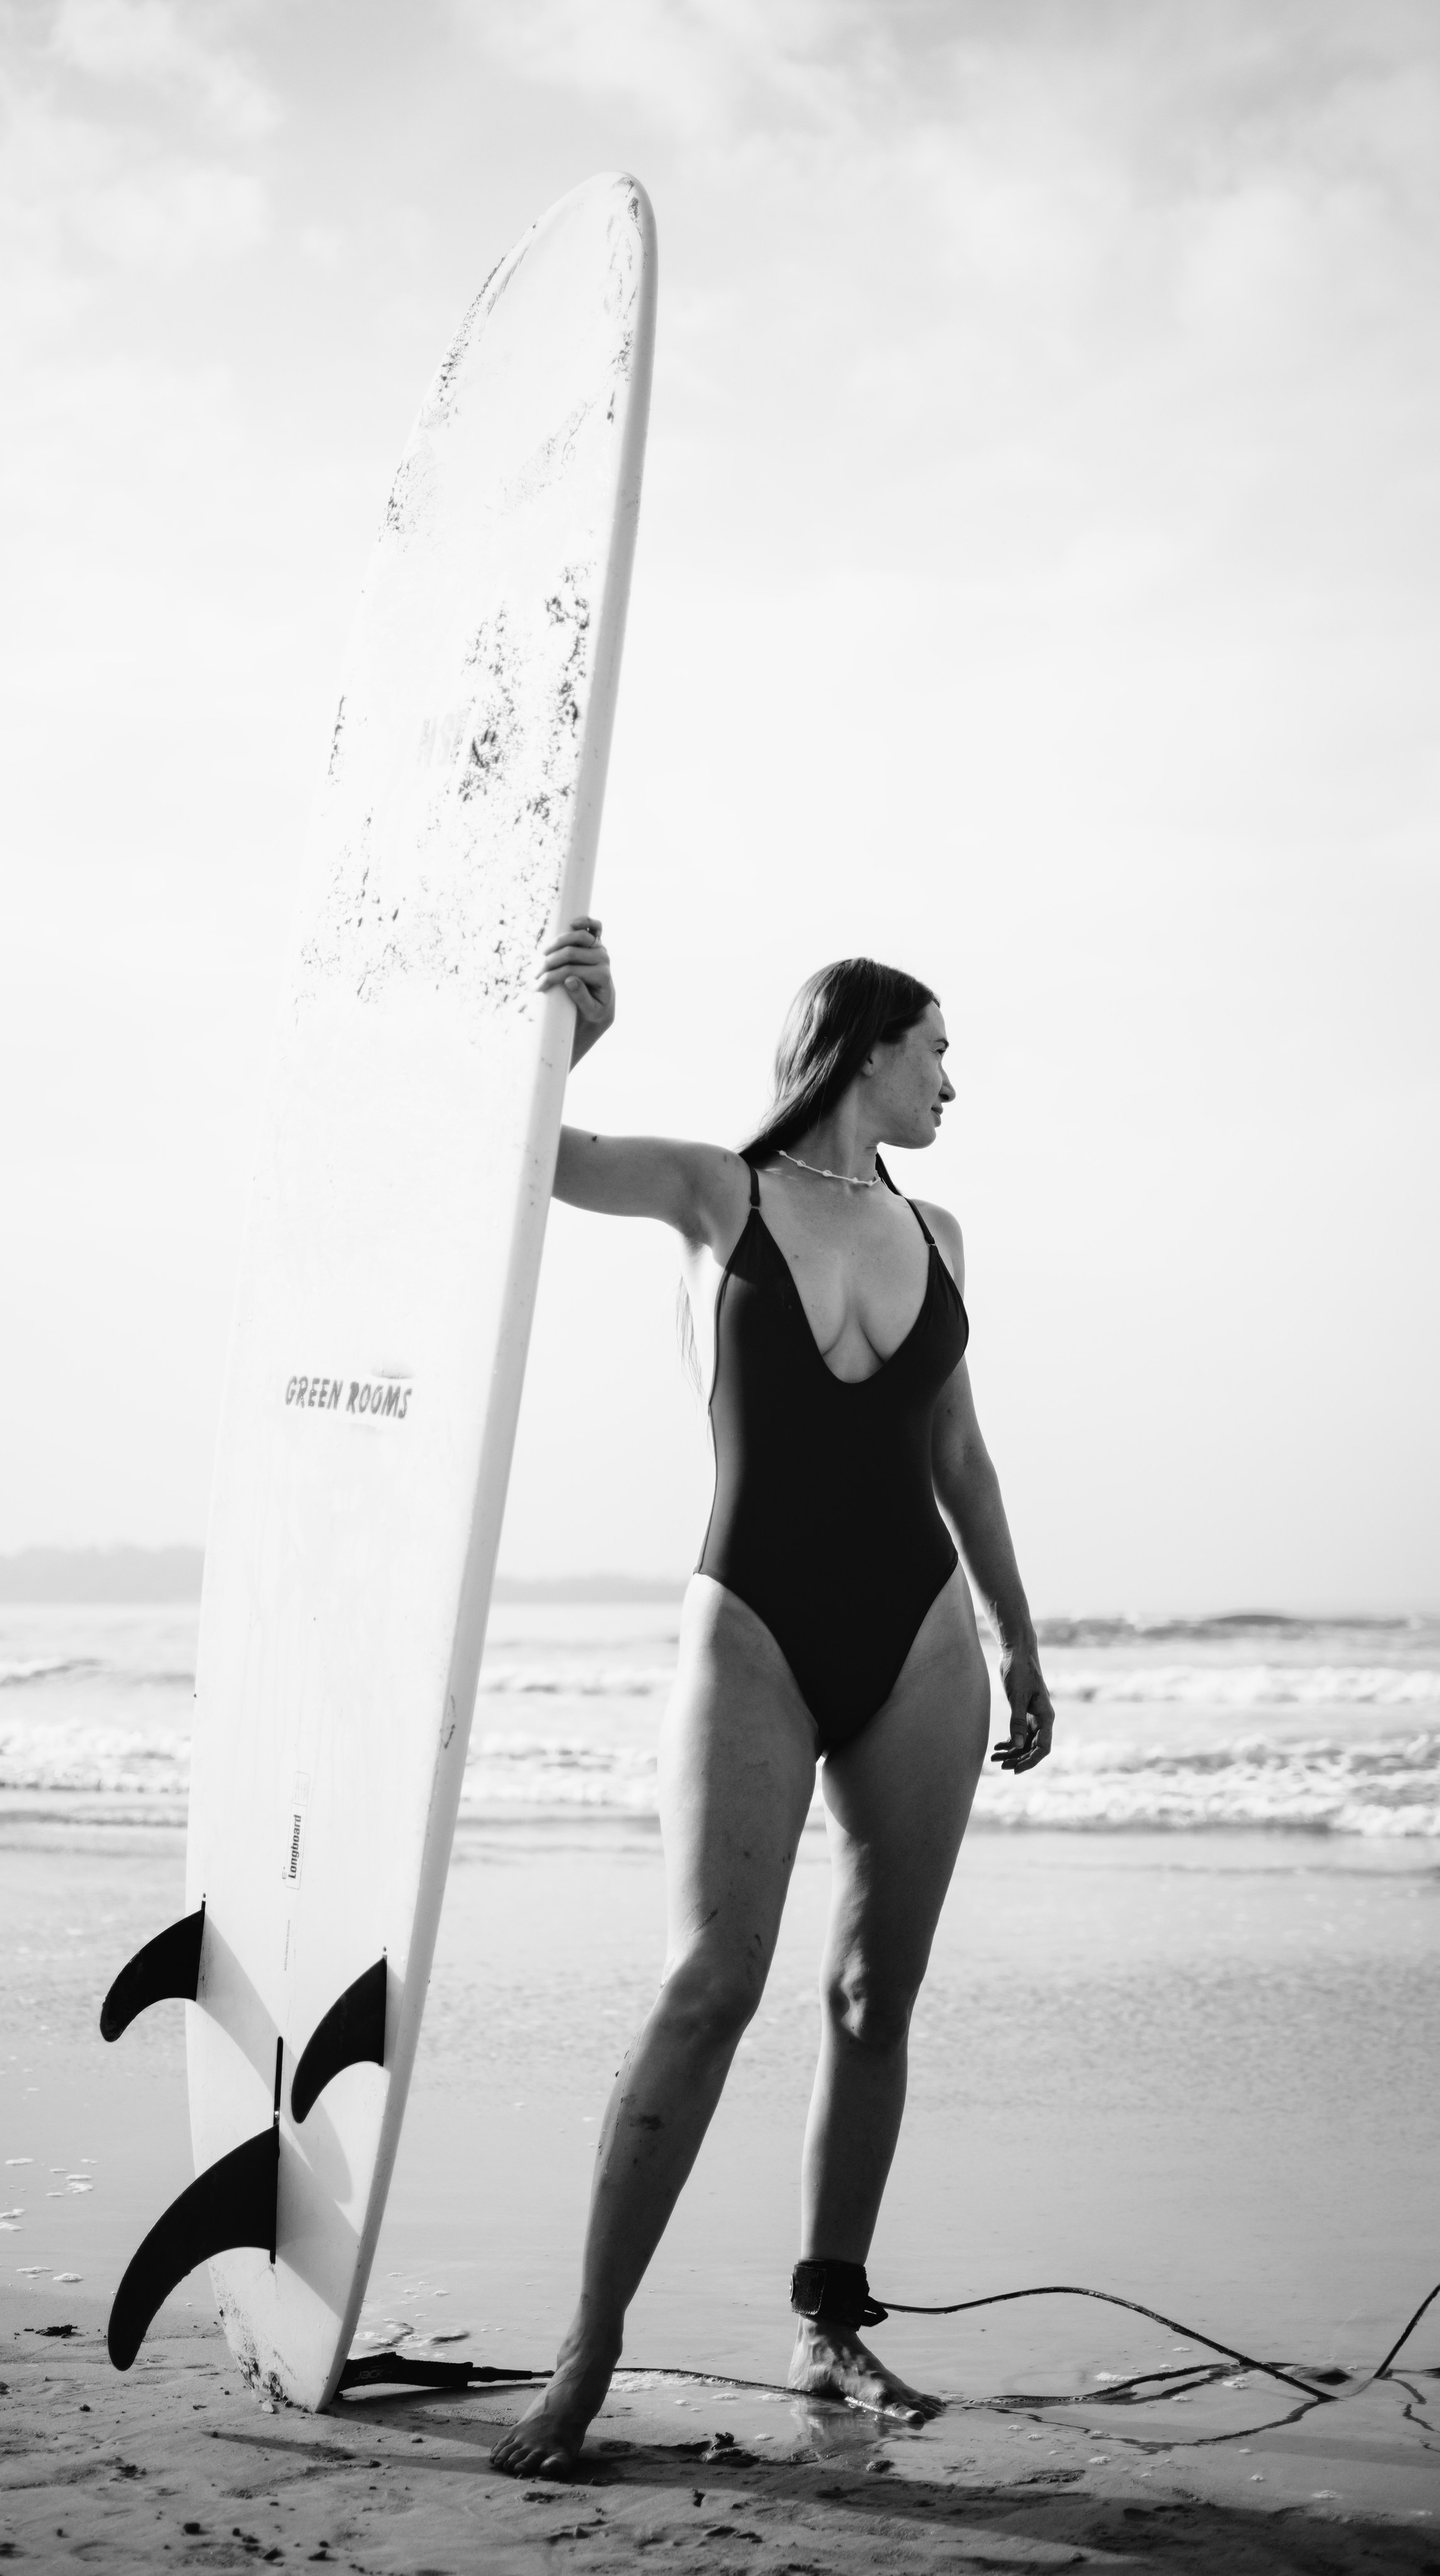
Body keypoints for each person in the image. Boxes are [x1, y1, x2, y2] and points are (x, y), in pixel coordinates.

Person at [489, 916, 1056, 2480]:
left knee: (875, 1996)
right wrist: (568, 1041)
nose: (953, 1079)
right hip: (749, 1619)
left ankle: (826, 2316)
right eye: (936, 1048)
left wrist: (1018, 1640)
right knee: (710, 1985)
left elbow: (959, 1459)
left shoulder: (940, 1232)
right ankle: (586, 2352)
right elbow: (533, 1154)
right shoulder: (710, 1190)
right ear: (866, 1050)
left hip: (920, 1633)